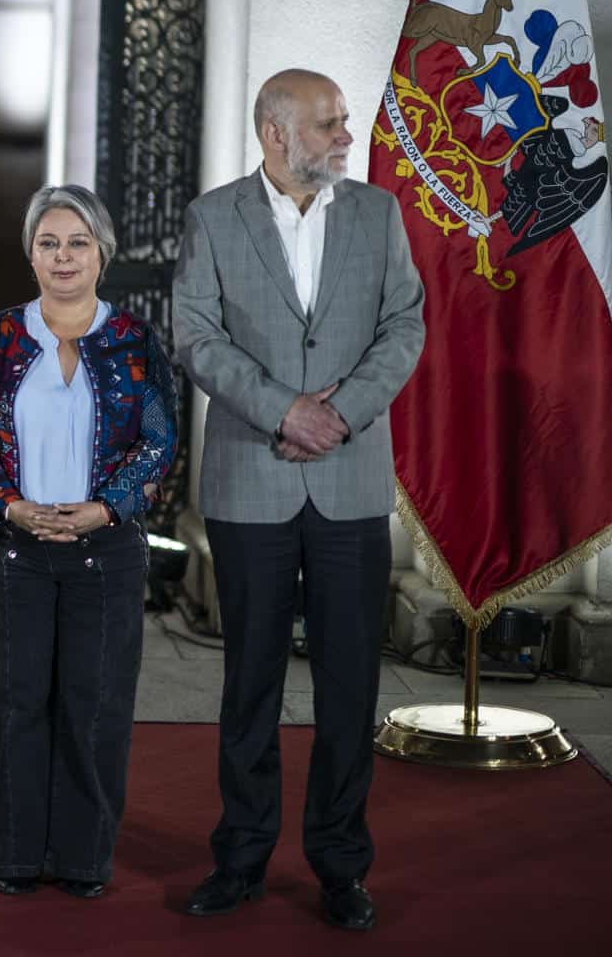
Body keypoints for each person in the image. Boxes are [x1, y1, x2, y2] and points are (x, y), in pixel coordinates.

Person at [173, 69, 424, 932]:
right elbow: (194, 334)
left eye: (344, 122)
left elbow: (406, 324)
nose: (346, 136)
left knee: (352, 684)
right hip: (253, 483)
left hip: (350, 482)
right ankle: (240, 858)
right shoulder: (214, 218)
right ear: (277, 134)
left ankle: (341, 866)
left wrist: (337, 416)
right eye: (330, 124)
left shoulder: (377, 215)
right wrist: (283, 410)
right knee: (250, 683)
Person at [0, 185, 179, 900]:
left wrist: (105, 509)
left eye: (77, 243)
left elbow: (160, 441)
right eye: (49, 243)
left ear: (103, 254)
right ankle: (17, 856)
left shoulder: (134, 338)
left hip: (105, 552)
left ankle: (86, 859)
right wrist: (13, 507)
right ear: (30, 253)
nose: (63, 257)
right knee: (16, 703)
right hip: (17, 551)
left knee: (94, 705)